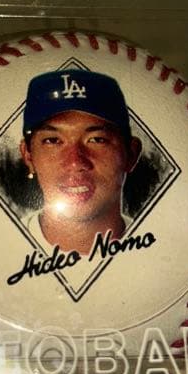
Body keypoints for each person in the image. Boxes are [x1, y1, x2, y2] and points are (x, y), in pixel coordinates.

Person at [20, 69, 141, 257]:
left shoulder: (168, 246)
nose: (75, 162)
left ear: (131, 154)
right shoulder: (0, 244)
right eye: (53, 140)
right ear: (28, 155)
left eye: (97, 140)